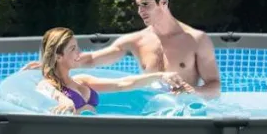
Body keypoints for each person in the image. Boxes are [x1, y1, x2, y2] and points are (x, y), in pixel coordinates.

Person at [26, 0, 222, 99]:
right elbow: (92, 59)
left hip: (184, 113)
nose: (140, 11)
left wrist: (193, 91)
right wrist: (50, 62)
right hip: (151, 111)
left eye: (145, 5)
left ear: (163, 3)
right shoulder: (137, 41)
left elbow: (215, 87)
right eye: (138, 5)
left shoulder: (196, 40)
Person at [35, 26, 194, 114]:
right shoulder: (48, 85)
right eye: (73, 49)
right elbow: (49, 91)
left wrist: (161, 76)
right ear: (58, 56)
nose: (79, 53)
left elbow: (122, 84)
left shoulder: (82, 80)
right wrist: (63, 99)